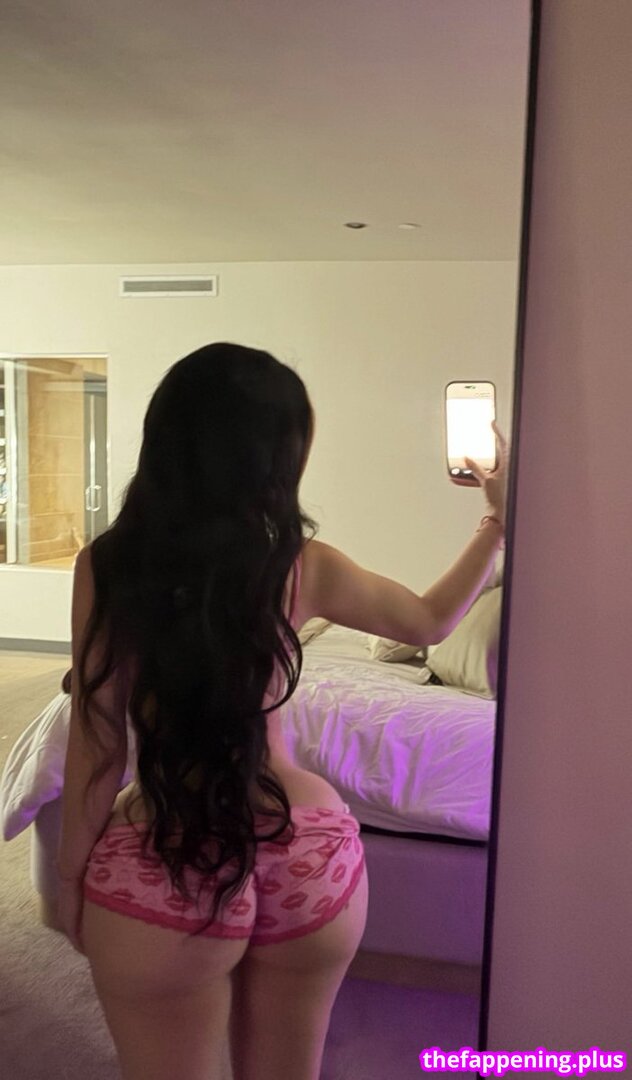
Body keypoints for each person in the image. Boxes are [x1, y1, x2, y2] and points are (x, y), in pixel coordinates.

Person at [56, 342, 507, 1080]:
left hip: (162, 846)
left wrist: (72, 877)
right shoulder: (300, 563)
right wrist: (494, 521)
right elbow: (430, 620)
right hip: (308, 849)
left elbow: (97, 738)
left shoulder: (108, 567)